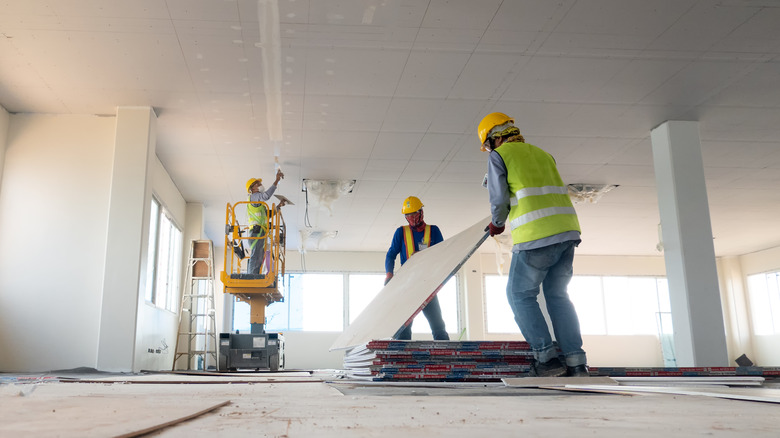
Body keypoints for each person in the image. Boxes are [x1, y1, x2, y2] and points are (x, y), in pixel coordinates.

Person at [478, 112, 588, 377]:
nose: (489, 150)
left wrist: (497, 222)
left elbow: (499, 199)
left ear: (495, 138)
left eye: (488, 145)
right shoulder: (542, 153)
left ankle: (546, 360)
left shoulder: (499, 156)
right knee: (558, 296)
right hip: (567, 232)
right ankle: (576, 362)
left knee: (519, 295)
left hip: (536, 235)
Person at [385, 196, 450, 341]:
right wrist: (389, 275)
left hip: (427, 285)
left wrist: (424, 256)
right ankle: (402, 361)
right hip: (407, 287)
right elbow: (390, 255)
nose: (411, 218)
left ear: (421, 212)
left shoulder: (433, 231)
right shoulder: (400, 232)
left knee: (438, 325)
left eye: (414, 214)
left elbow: (443, 254)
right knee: (404, 329)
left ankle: (446, 358)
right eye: (408, 215)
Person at [246, 168, 284, 276]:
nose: (260, 185)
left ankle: (254, 276)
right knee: (256, 256)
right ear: (252, 188)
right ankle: (251, 278)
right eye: (258, 184)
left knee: (259, 257)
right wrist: (276, 181)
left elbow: (268, 215)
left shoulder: (259, 204)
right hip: (256, 232)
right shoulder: (254, 197)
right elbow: (266, 196)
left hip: (260, 233)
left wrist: (279, 206)